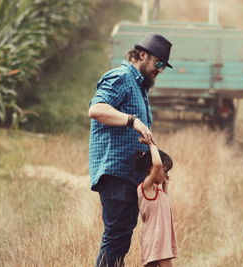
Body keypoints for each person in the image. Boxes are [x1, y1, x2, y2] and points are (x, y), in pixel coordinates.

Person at [88, 32, 173, 267]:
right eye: (158, 63)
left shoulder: (141, 86)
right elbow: (96, 109)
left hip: (129, 175)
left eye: (163, 66)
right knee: (117, 237)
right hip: (116, 173)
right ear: (142, 54)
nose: (160, 69)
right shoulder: (121, 77)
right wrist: (132, 120)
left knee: (122, 237)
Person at [135, 138, 177, 267]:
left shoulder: (157, 191)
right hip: (155, 240)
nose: (166, 174)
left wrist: (165, 185)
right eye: (165, 171)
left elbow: (165, 204)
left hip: (159, 240)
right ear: (151, 169)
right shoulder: (145, 188)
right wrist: (152, 145)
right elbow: (158, 164)